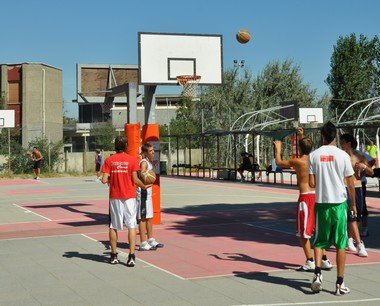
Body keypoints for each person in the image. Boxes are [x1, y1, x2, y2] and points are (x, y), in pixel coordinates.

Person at [274, 128, 332, 272]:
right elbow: (306, 146)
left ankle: (310, 261)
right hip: (318, 197)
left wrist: (278, 148)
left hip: (306, 198)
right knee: (318, 230)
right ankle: (324, 259)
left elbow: (279, 163)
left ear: (300, 148)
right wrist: (301, 136)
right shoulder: (316, 159)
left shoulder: (298, 162)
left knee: (303, 233)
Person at [308, 121, 356, 295]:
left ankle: (318, 275)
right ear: (335, 136)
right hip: (339, 204)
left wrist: (322, 178)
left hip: (322, 203)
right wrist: (353, 204)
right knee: (341, 243)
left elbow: (312, 183)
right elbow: (350, 183)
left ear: (322, 136)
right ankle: (339, 283)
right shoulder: (343, 155)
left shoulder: (313, 155)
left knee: (319, 240)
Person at [101, 136, 150, 267]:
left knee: (113, 226)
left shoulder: (109, 160)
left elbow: (104, 180)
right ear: (126, 146)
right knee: (131, 225)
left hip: (115, 196)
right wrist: (144, 186)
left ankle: (113, 256)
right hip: (129, 196)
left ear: (115, 146)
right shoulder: (132, 160)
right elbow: (135, 180)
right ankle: (131, 256)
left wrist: (112, 180)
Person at [340, 134, 372, 256]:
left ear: (349, 143)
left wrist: (364, 166)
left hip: (358, 187)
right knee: (350, 216)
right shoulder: (341, 156)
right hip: (344, 188)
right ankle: (358, 243)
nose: (341, 144)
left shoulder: (359, 156)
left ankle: (349, 238)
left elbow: (371, 171)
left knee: (357, 216)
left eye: (342, 142)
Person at [137, 142, 164, 251]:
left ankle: (150, 239)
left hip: (147, 194)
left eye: (153, 150)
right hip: (143, 193)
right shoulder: (143, 162)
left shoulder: (148, 161)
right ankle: (143, 243)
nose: (153, 152)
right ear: (145, 153)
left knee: (149, 217)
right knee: (143, 218)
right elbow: (142, 173)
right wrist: (146, 181)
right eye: (151, 151)